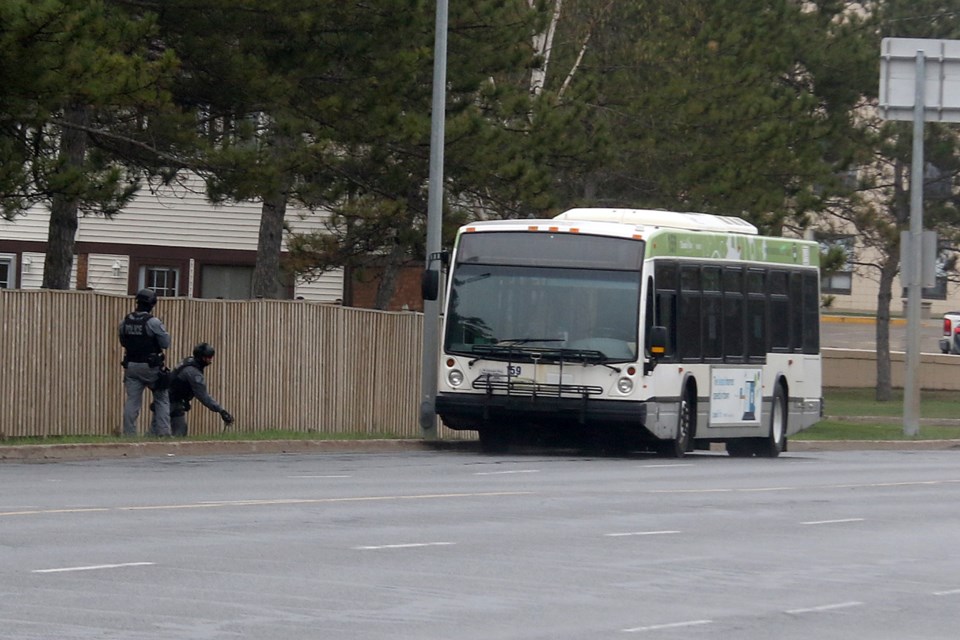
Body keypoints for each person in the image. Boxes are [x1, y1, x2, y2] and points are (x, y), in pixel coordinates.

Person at [119, 288, 171, 437]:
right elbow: (165, 343)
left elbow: (123, 341)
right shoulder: (153, 322)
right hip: (151, 366)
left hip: (131, 366)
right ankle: (163, 433)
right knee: (161, 397)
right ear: (152, 304)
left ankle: (129, 434)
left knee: (132, 401)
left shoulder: (125, 321)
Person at [169, 342, 234, 436]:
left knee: (181, 431)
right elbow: (203, 396)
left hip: (175, 401)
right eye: (208, 358)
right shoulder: (194, 373)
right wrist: (221, 410)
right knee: (159, 431)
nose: (210, 360)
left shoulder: (188, 361)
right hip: (168, 403)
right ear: (202, 358)